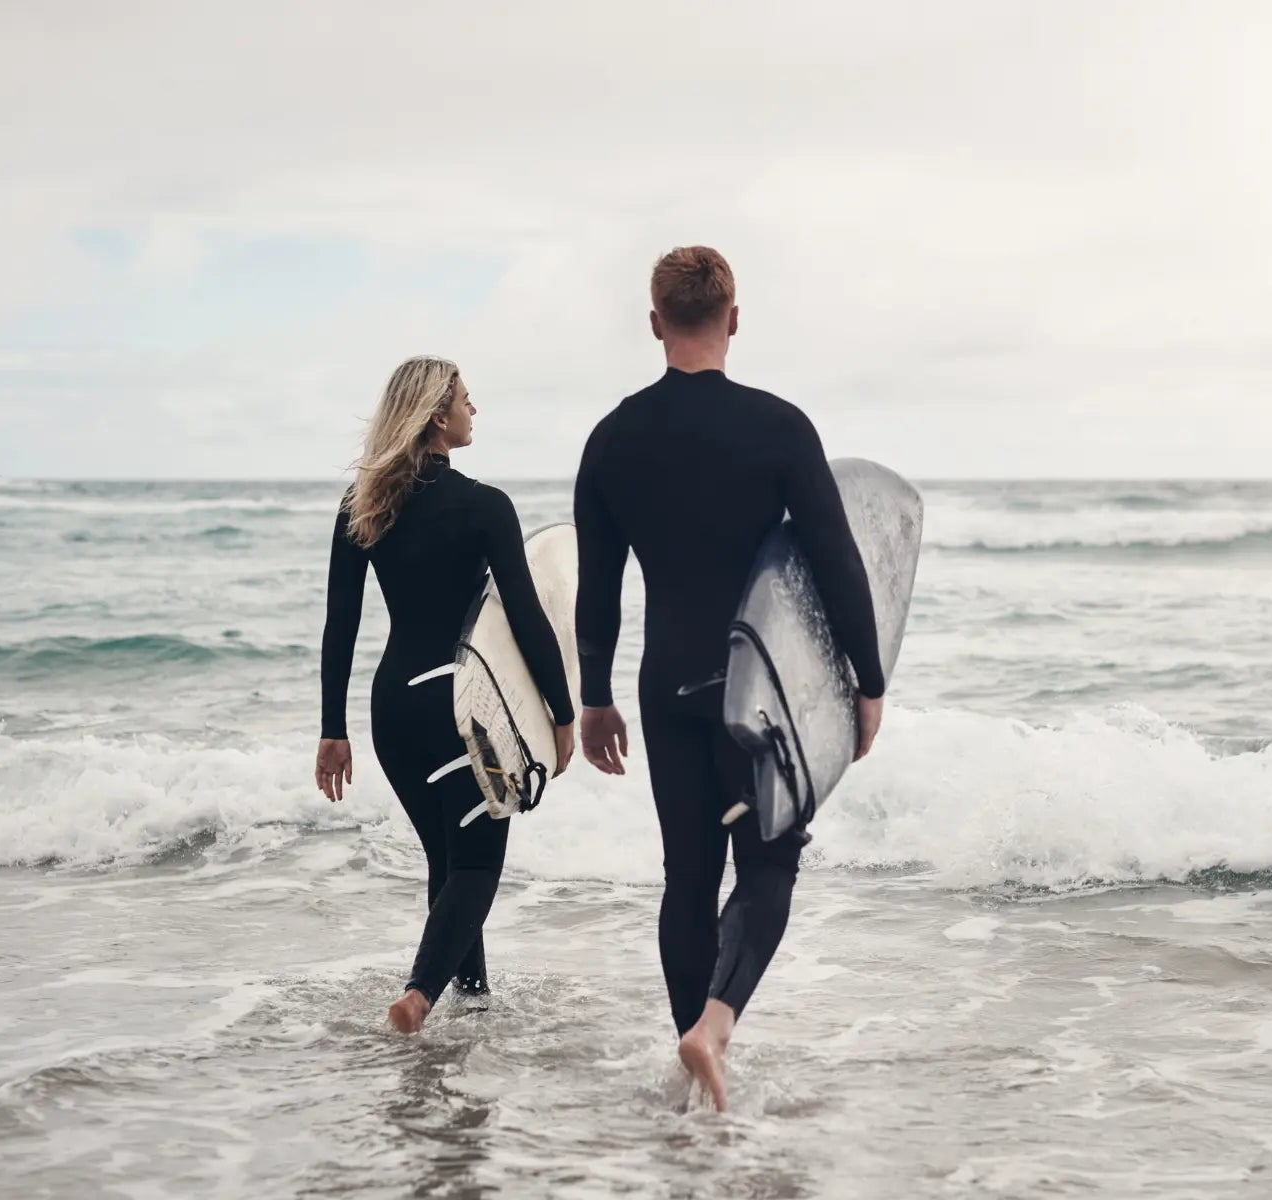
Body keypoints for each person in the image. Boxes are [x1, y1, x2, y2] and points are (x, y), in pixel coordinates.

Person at [573, 247, 886, 1110]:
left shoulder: (611, 439)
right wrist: (868, 680)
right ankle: (715, 1025)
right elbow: (838, 562)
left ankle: (692, 1068)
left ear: (654, 322)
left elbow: (597, 592)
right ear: (734, 318)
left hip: (664, 679)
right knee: (770, 861)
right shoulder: (779, 427)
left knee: (687, 875)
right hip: (761, 684)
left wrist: (593, 697)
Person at [316, 356, 575, 1033]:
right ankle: (420, 997)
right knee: (481, 862)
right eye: (466, 399)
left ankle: (474, 1001)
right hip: (457, 706)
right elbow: (525, 615)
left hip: (393, 707)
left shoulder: (363, 505)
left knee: (448, 857)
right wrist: (562, 710)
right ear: (438, 416)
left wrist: (331, 731)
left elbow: (338, 624)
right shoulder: (486, 506)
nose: (474, 410)